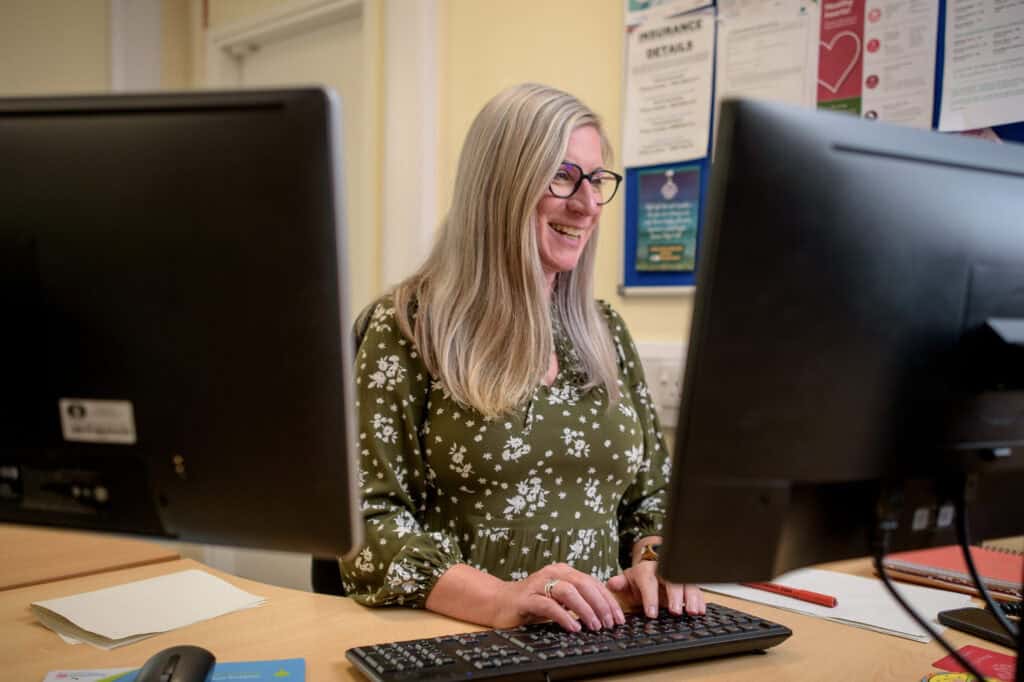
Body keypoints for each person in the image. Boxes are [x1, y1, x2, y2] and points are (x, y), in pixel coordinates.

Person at [339, 83, 705, 632]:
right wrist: (499, 599)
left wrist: (654, 558)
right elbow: (367, 524)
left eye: (597, 181)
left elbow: (650, 495)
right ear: (500, 186)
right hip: (464, 638)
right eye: (562, 176)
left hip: (607, 640)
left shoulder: (605, 331)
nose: (585, 206)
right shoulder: (408, 326)